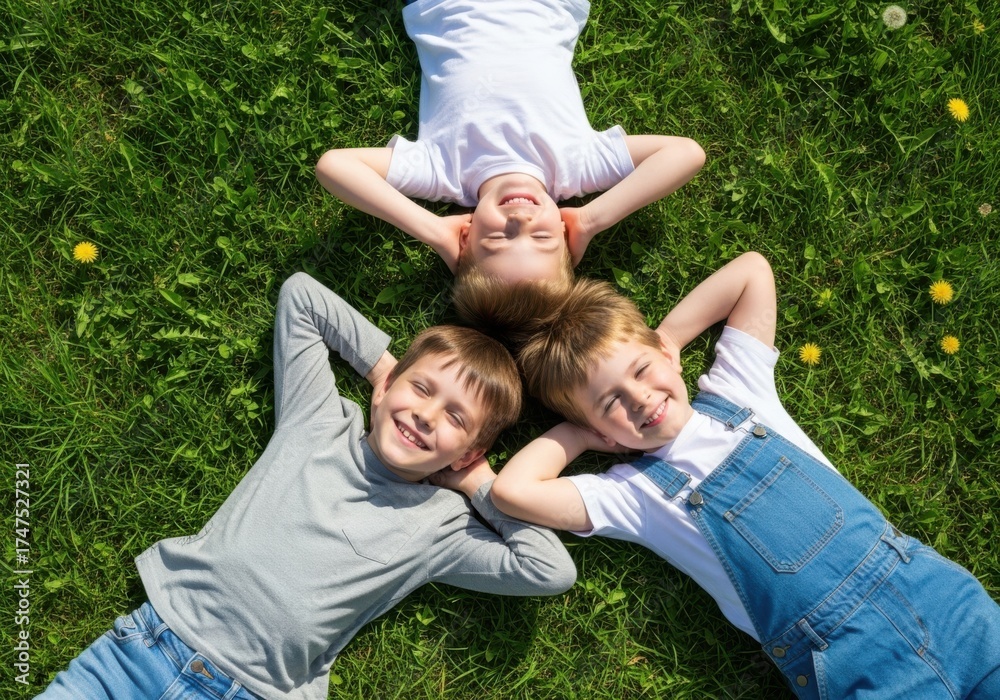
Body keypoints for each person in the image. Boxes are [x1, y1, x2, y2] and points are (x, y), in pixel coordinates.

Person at [38, 272, 576, 700]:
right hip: (135, 653)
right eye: (422, 388)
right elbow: (303, 297)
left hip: (252, 691)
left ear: (471, 449)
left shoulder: (441, 525)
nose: (428, 415)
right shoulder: (317, 418)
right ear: (387, 388)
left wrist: (478, 482)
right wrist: (387, 378)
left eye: (456, 419)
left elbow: (548, 571)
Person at [490, 253, 1000, 698]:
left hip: (938, 599)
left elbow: (751, 272)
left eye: (642, 371)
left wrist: (668, 339)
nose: (640, 398)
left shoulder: (737, 392)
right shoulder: (631, 493)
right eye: (611, 403)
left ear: (665, 356)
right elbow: (514, 492)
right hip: (846, 658)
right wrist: (577, 437)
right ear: (601, 430)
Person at [315, 0, 705, 285]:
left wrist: (433, 231)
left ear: (465, 236)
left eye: (499, 237)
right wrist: (591, 219)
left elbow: (334, 166)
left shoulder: (442, 173)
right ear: (565, 234)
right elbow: (685, 153)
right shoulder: (576, 167)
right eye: (541, 237)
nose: (520, 221)